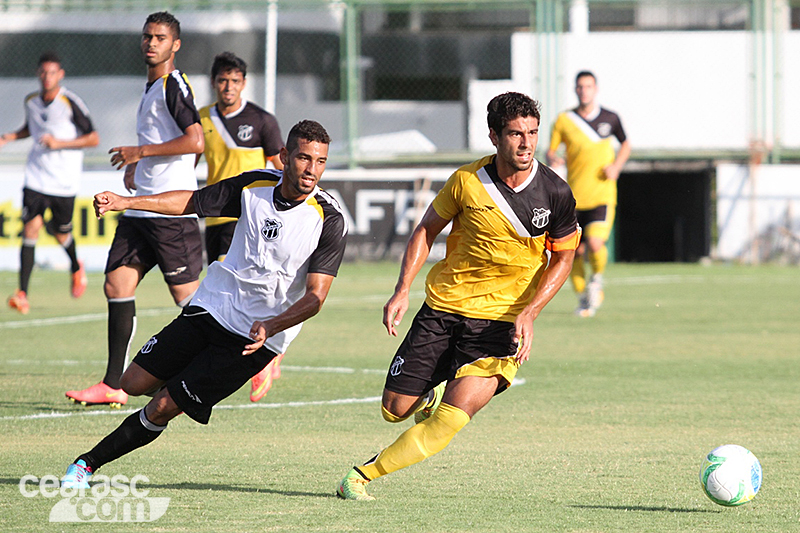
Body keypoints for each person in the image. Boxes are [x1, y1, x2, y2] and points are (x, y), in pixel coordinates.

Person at [61, 119, 347, 489]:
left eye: (320, 161)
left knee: (163, 406)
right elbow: (192, 202)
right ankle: (183, 386)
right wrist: (127, 202)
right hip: (214, 305)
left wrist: (271, 326)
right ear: (284, 157)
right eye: (304, 158)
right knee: (132, 382)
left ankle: (86, 464)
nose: (312, 170)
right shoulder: (254, 185)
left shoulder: (329, 218)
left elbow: (316, 297)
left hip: (256, 338)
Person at [336, 92, 580, 501]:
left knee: (452, 418)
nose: (526, 144)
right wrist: (401, 290)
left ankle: (361, 476)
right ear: (494, 136)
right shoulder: (467, 181)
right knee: (394, 409)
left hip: (502, 323)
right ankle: (424, 393)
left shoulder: (555, 192)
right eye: (516, 134)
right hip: (444, 309)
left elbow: (564, 258)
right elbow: (425, 230)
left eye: (533, 133)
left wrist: (531, 312)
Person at [65, 11, 204, 408]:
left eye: (160, 37)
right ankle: (113, 384)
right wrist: (140, 165)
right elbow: (174, 143)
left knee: (189, 300)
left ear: (175, 45)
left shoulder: (173, 86)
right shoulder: (152, 88)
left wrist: (141, 152)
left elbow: (195, 142)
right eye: (147, 37)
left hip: (168, 212)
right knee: (116, 285)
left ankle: (233, 358)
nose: (151, 43)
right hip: (140, 208)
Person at [197, 51, 286, 402]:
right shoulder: (202, 119)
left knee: (228, 280)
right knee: (230, 288)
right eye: (222, 80)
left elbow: (283, 168)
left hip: (248, 216)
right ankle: (268, 351)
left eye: (235, 81)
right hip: (215, 216)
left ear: (244, 84)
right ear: (214, 83)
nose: (228, 87)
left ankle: (261, 357)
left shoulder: (262, 120)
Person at [0, 52, 99, 314]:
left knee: (60, 232)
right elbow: (31, 128)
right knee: (30, 229)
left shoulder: (69, 102)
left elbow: (93, 138)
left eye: (52, 72)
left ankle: (76, 267)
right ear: (38, 74)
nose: (47, 77)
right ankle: (22, 294)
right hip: (35, 176)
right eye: (43, 72)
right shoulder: (31, 101)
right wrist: (12, 135)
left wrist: (60, 143)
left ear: (61, 75)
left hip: (63, 181)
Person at [546, 70, 631, 317]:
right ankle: (584, 297)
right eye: (580, 87)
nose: (584, 91)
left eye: (588, 86)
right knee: (572, 252)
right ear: (575, 90)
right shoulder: (564, 120)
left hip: (602, 195)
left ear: (596, 89)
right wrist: (554, 158)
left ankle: (597, 279)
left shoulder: (610, 118)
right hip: (573, 198)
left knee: (595, 243)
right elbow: (551, 151)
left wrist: (616, 166)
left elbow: (626, 143)